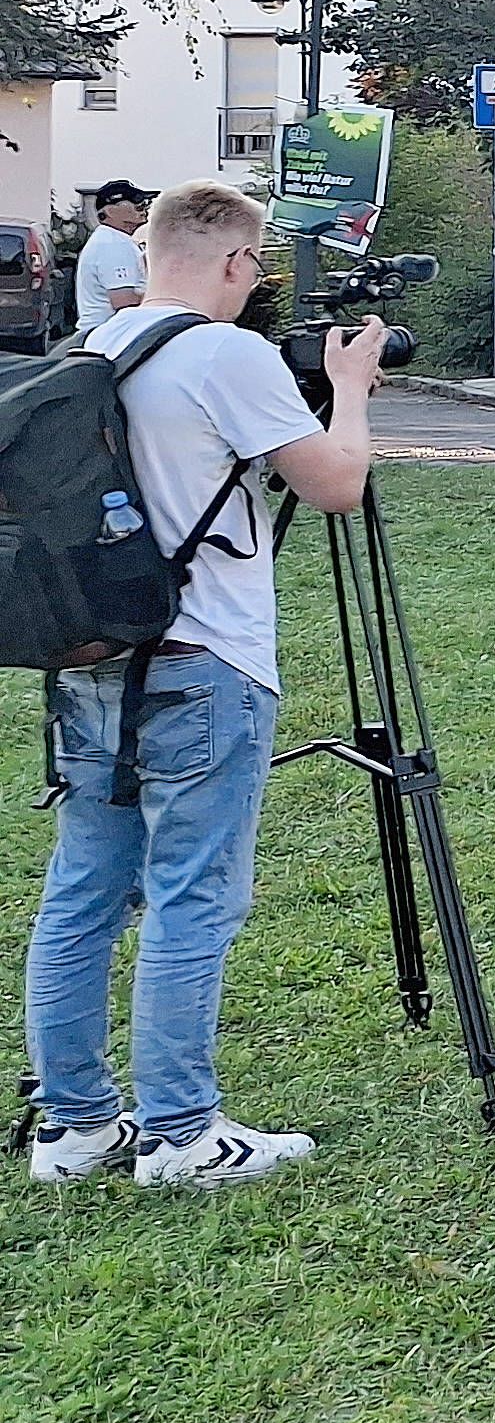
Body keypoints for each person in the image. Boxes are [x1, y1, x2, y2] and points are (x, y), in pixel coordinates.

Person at [24, 178, 386, 1188]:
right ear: (236, 262)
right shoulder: (224, 352)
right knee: (192, 896)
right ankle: (182, 1132)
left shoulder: (92, 349)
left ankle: (75, 1124)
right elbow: (336, 483)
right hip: (204, 661)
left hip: (94, 661)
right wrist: (348, 386)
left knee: (85, 891)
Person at [74, 181, 149, 330]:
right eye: (137, 204)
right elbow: (124, 301)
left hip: (104, 333)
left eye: (145, 204)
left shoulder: (111, 239)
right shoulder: (114, 244)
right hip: (109, 336)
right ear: (110, 211)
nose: (143, 210)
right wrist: (163, 299)